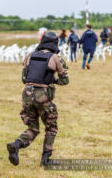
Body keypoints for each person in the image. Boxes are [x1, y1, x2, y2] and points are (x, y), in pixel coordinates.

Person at [7, 32, 69, 166]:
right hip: (43, 96)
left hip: (27, 94)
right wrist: (53, 79)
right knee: (51, 128)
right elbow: (65, 81)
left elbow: (24, 79)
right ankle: (45, 160)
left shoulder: (29, 56)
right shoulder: (56, 58)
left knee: (33, 128)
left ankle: (16, 144)